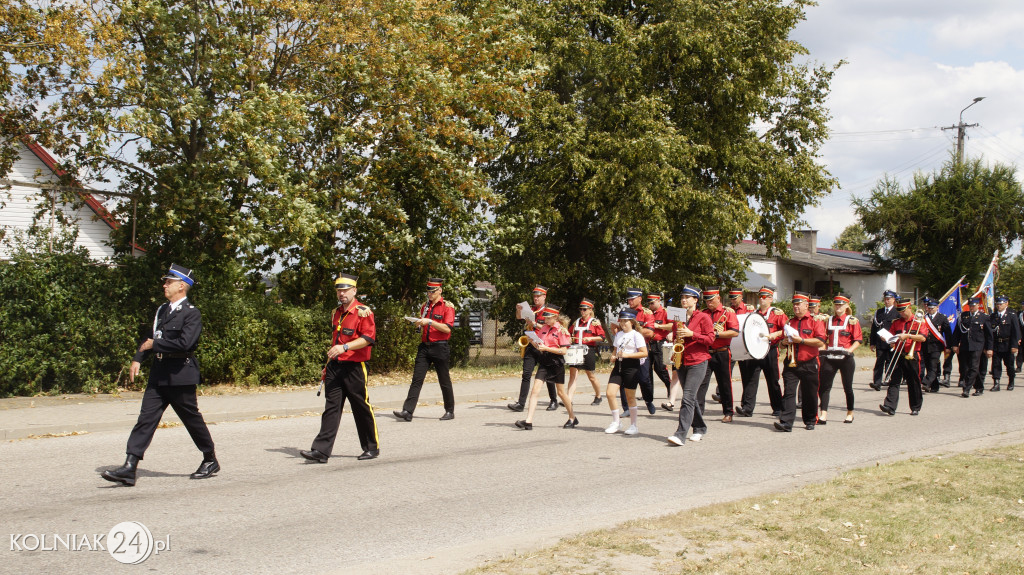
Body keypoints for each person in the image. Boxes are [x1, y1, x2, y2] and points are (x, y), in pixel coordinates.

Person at [101, 264, 218, 486]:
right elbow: (150, 337)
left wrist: (156, 344)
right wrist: (138, 357)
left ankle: (210, 458)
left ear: (181, 286)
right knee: (145, 420)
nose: (164, 285)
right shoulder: (162, 310)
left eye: (169, 282)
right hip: (159, 374)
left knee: (191, 420)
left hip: (180, 375)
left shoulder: (192, 313)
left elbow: (186, 343)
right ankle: (129, 466)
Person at [300, 273, 380, 463]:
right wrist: (327, 366)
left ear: (354, 290)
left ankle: (371, 447)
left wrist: (345, 347)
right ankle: (320, 451)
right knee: (331, 408)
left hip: (355, 367)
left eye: (345, 290)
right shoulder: (337, 312)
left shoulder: (363, 312)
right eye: (339, 290)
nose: (341, 293)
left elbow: (368, 339)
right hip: (336, 366)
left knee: (361, 407)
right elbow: (335, 340)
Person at [393, 278, 456, 422]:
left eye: (432, 291)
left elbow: (447, 328)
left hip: (440, 346)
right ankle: (407, 411)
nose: (429, 294)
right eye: (428, 291)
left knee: (444, 380)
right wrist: (419, 324)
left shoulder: (447, 307)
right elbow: (423, 325)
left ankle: (449, 411)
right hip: (424, 347)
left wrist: (430, 322)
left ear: (440, 290)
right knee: (417, 379)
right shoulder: (425, 306)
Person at [666, 285, 715, 446]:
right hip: (681, 360)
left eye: (687, 297)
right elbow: (676, 338)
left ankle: (680, 434)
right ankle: (700, 427)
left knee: (687, 397)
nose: (684, 300)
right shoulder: (678, 316)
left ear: (695, 300)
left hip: (698, 361)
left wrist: (692, 334)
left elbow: (710, 339)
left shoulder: (703, 317)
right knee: (691, 398)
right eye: (682, 297)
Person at [515, 304, 577, 429]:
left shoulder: (562, 331)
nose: (546, 320)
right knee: (535, 391)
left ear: (555, 317)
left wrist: (547, 348)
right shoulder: (544, 328)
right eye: (545, 318)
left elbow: (564, 351)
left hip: (556, 363)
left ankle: (572, 417)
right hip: (544, 362)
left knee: (561, 393)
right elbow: (540, 345)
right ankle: (528, 421)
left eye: (548, 318)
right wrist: (532, 340)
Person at [774, 292, 825, 432]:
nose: (795, 307)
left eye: (798, 304)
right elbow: (782, 344)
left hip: (809, 362)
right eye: (794, 304)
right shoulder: (790, 322)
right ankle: (786, 422)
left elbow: (820, 341)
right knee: (789, 392)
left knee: (809, 393)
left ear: (806, 305)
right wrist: (783, 343)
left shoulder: (815, 321)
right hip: (791, 362)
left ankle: (810, 420)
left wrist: (801, 340)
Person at [736, 286, 787, 418]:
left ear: (770, 299)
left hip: (770, 350)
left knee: (772, 380)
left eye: (764, 297)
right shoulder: (754, 314)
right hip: (755, 349)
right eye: (760, 296)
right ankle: (747, 408)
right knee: (750, 379)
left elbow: (787, 329)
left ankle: (778, 408)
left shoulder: (777, 313)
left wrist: (775, 334)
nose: (761, 299)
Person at [509, 286, 559, 412]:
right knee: (526, 374)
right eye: (534, 296)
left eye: (538, 296)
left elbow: (551, 327)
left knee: (547, 375)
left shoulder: (548, 311)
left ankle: (554, 400)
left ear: (544, 297)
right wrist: (518, 310)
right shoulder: (531, 309)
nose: (535, 298)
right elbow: (518, 317)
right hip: (531, 345)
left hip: (543, 346)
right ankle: (521, 404)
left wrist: (535, 324)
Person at [879, 299, 929, 416]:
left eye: (903, 311)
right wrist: (888, 339)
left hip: (912, 354)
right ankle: (890, 406)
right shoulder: (896, 322)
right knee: (894, 380)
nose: (901, 314)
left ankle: (915, 407)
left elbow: (923, 338)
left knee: (913, 381)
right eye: (899, 311)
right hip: (898, 353)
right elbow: (892, 337)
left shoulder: (919, 321)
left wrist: (908, 336)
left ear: (909, 308)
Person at [604, 309, 649, 436]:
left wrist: (628, 355)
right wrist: (613, 356)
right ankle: (616, 422)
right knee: (610, 393)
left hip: (631, 366)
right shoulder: (618, 334)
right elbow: (615, 349)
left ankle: (633, 425)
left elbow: (644, 353)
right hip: (619, 365)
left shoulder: (636, 335)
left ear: (632, 322)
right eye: (621, 321)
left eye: (626, 321)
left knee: (630, 397)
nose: (623, 323)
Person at [818, 294, 861, 424]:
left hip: (845, 358)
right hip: (830, 357)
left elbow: (858, 340)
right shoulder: (828, 320)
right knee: (825, 386)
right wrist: (823, 349)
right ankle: (823, 413)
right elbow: (823, 338)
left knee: (847, 387)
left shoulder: (852, 320)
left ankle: (850, 412)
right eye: (836, 304)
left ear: (847, 305)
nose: (838, 306)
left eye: (841, 304)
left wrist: (850, 350)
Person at [698, 288, 739, 422]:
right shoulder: (703, 313)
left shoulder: (727, 313)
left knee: (724, 383)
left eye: (711, 300)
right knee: (701, 383)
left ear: (718, 298)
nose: (709, 303)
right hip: (706, 352)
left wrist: (716, 334)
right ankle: (698, 411)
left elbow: (734, 332)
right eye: (707, 301)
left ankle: (728, 412)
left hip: (721, 352)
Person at [566, 298, 606, 406]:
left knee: (591, 376)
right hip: (576, 350)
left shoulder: (594, 322)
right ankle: (568, 399)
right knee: (573, 375)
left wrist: (591, 339)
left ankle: (598, 396)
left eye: (584, 309)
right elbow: (569, 333)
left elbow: (602, 337)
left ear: (590, 310)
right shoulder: (576, 322)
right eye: (581, 309)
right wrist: (569, 338)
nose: (582, 311)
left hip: (588, 350)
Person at [951, 296, 993, 398]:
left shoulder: (984, 317)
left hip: (978, 345)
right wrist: (955, 344)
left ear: (978, 305)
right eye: (970, 306)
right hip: (965, 345)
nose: (971, 307)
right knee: (966, 368)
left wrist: (989, 348)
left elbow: (989, 335)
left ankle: (966, 389)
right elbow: (957, 332)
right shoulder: (963, 316)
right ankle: (979, 387)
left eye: (973, 306)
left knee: (974, 367)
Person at [869, 290, 900, 391]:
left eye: (889, 299)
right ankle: (877, 382)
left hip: (891, 342)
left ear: (893, 300)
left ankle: (892, 381)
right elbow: (874, 328)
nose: (887, 301)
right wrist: (872, 342)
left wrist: (895, 341)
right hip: (880, 342)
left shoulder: (897, 313)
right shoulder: (879, 312)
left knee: (891, 362)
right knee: (879, 362)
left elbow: (899, 329)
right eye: (885, 299)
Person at [988, 294, 1020, 392]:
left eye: (1001, 304)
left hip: (1008, 344)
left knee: (1009, 365)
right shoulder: (993, 316)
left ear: (1006, 304)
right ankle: (996, 383)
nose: (999, 306)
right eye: (998, 304)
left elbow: (1016, 331)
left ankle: (1011, 381)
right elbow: (990, 333)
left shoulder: (1012, 315)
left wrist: (1014, 345)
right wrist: (989, 347)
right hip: (997, 344)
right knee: (996, 364)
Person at [647, 292, 675, 396]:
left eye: (652, 303)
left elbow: (673, 326)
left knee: (660, 368)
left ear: (659, 301)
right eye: (649, 304)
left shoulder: (666, 312)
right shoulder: (648, 312)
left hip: (660, 343)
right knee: (647, 369)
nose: (650, 306)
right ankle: (649, 393)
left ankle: (669, 385)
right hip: (649, 343)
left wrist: (658, 326)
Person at [921, 297, 951, 393]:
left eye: (932, 308)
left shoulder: (942, 318)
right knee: (928, 365)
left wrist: (949, 346)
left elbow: (948, 333)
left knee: (933, 365)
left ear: (937, 307)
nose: (930, 310)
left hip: (936, 346)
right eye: (929, 308)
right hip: (925, 346)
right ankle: (935, 386)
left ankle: (926, 382)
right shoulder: (923, 318)